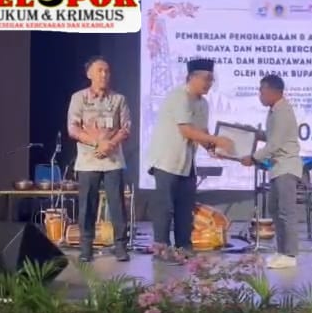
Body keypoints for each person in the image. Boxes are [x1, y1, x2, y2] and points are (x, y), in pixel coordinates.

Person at [147, 58, 233, 262]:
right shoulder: (179, 97)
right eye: (206, 79)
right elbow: (186, 130)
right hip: (167, 161)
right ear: (192, 77)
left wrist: (212, 148)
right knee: (165, 208)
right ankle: (161, 249)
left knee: (185, 209)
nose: (209, 83)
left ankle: (184, 248)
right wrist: (217, 140)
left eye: (211, 79)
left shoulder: (203, 103)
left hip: (187, 164)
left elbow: (201, 132)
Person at [66, 56, 131, 263]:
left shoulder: (118, 99)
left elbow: (125, 128)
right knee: (87, 206)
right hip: (88, 160)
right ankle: (86, 248)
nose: (104, 75)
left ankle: (120, 246)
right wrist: (97, 144)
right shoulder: (79, 98)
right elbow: (73, 128)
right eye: (99, 71)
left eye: (107, 71)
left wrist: (109, 145)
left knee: (117, 205)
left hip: (113, 160)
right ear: (89, 74)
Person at [240, 75, 303, 269]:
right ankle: (282, 251)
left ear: (272, 91)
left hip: (286, 167)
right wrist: (256, 134)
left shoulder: (283, 111)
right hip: (277, 168)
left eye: (261, 90)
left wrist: (254, 158)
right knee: (276, 211)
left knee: (286, 212)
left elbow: (275, 144)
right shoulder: (275, 110)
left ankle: (290, 254)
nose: (259, 94)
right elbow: (272, 137)